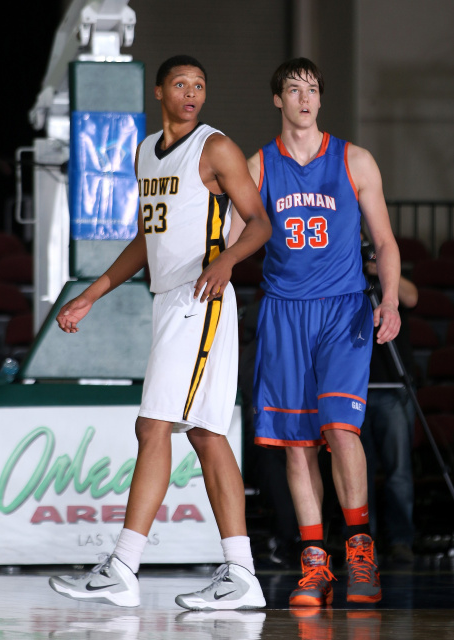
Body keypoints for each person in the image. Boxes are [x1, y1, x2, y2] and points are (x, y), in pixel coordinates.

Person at [49, 55, 272, 610]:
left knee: (153, 426)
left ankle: (123, 566)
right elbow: (145, 243)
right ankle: (241, 573)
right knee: (204, 434)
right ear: (158, 92)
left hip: (202, 299)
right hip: (168, 299)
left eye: (200, 84)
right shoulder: (145, 153)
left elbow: (260, 220)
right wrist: (90, 295)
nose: (192, 92)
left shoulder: (214, 148)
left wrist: (225, 264)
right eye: (181, 84)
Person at [231, 57, 401, 606]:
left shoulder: (355, 160)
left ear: (321, 100)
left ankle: (359, 549)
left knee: (340, 429)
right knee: (297, 445)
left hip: (342, 310)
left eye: (312, 89)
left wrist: (392, 298)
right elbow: (233, 238)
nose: (304, 97)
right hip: (283, 312)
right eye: (292, 89)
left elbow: (386, 240)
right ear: (277, 100)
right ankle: (314, 562)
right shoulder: (258, 165)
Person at [361, 244, 418, 564]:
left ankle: (400, 541)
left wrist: (380, 272)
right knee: (359, 472)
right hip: (357, 386)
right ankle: (361, 545)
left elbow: (411, 297)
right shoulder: (342, 272)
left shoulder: (386, 265)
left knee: (399, 470)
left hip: (394, 386)